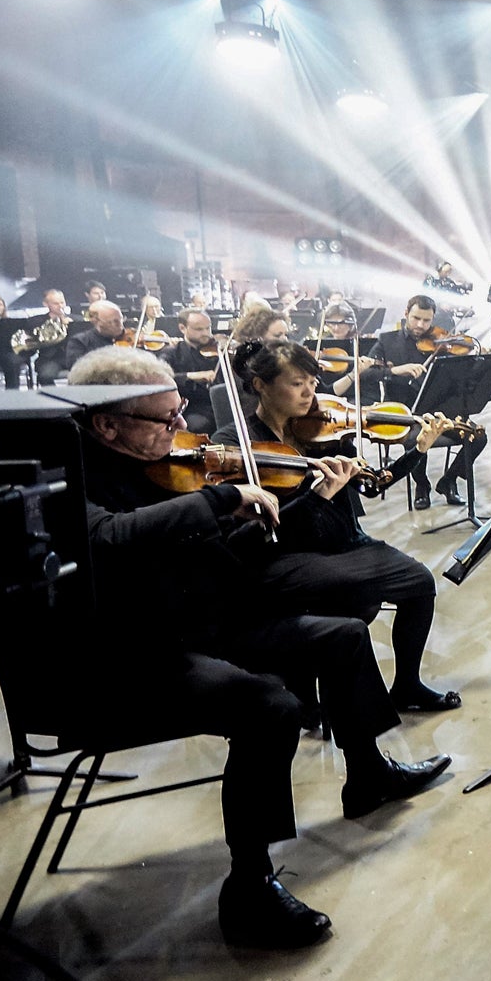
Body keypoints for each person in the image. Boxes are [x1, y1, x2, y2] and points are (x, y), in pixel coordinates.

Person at [66, 347, 451, 947]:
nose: (178, 430)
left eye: (179, 413)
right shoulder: (75, 478)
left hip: (208, 618)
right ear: (107, 424)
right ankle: (249, 883)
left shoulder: (166, 460)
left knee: (343, 636)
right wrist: (221, 499)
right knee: (270, 708)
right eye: (163, 420)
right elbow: (110, 538)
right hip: (145, 646)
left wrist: (258, 519)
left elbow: (219, 549)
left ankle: (368, 772)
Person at [214, 339, 464, 710]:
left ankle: (407, 685)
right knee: (352, 602)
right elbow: (250, 535)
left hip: (342, 540)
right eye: (297, 383)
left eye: (313, 383)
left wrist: (418, 449)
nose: (310, 393)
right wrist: (318, 494)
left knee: (419, 581)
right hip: (288, 553)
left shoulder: (320, 432)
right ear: (260, 386)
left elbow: (374, 482)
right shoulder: (236, 444)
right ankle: (316, 694)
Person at [365, 295, 487, 509]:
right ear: (406, 314)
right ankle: (422, 486)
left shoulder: (441, 343)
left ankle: (448, 481)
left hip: (440, 412)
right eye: (416, 318)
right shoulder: (387, 341)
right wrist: (394, 371)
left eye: (427, 320)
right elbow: (366, 373)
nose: (421, 325)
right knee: (414, 440)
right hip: (406, 414)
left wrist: (474, 362)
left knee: (478, 437)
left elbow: (459, 379)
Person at [163, 307, 224, 433]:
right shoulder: (172, 353)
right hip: (190, 408)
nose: (206, 333)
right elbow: (161, 377)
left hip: (218, 405)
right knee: (199, 425)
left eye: (208, 328)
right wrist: (190, 376)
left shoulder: (217, 350)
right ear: (182, 328)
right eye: (199, 329)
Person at [62, 299, 127, 367]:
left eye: (121, 319)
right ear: (95, 321)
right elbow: (76, 368)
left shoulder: (132, 338)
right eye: (113, 322)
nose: (120, 326)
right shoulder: (79, 342)